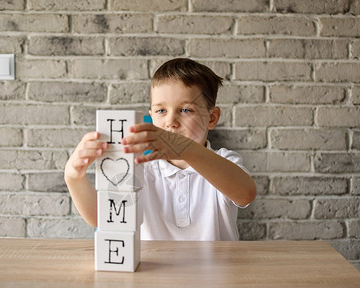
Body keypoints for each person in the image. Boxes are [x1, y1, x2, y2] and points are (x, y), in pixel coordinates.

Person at [64, 58, 256, 241]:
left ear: (212, 118)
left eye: (186, 110)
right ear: (151, 117)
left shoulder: (225, 161)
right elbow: (103, 218)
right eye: (161, 111)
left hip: (216, 273)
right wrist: (74, 178)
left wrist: (185, 149)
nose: (170, 122)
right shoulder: (139, 169)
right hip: (154, 273)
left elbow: (245, 193)